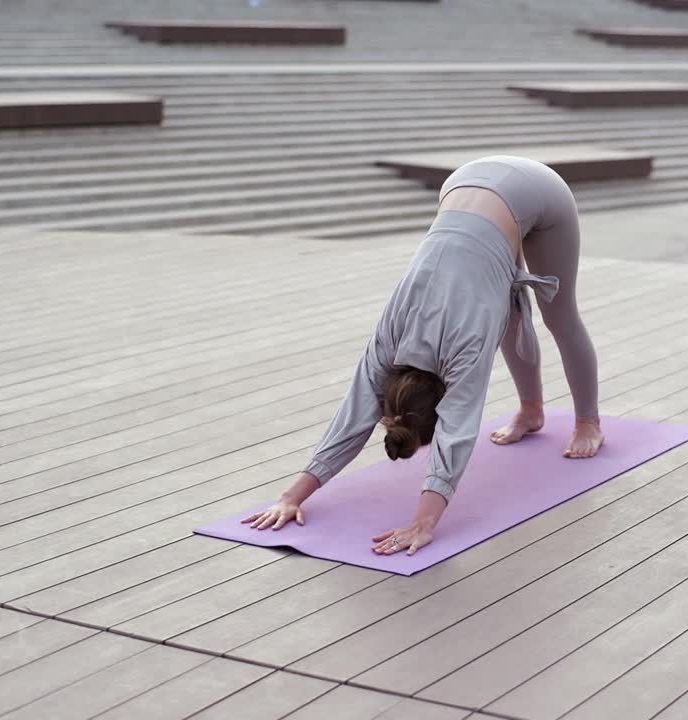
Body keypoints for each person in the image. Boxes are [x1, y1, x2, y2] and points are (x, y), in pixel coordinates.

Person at [242, 155, 603, 556]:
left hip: (537, 189)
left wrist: (424, 523)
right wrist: (291, 496)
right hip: (465, 183)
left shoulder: (460, 349)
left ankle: (589, 421)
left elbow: (457, 431)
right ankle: (531, 412)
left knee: (559, 315)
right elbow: (352, 418)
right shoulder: (388, 344)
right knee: (502, 310)